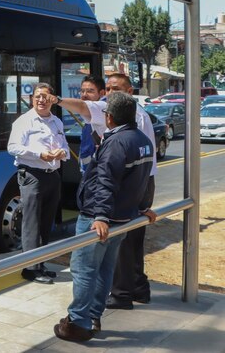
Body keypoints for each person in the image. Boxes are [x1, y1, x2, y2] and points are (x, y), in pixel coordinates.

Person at [53, 92, 157, 342]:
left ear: (109, 118)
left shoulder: (116, 143)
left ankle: (77, 322)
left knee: (84, 269)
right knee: (105, 268)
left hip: (98, 219)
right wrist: (143, 207)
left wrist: (99, 216)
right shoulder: (143, 139)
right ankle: (93, 316)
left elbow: (105, 182)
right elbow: (143, 178)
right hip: (123, 218)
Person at [7, 82, 69, 284]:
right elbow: (13, 147)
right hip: (32, 175)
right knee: (31, 223)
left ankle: (40, 263)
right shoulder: (24, 121)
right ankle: (30, 268)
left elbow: (66, 148)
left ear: (52, 99)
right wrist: (39, 154)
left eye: (45, 96)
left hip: (52, 175)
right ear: (32, 99)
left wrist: (62, 153)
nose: (41, 100)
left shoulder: (56, 122)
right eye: (37, 96)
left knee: (45, 223)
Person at [76, 76, 106, 174]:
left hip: (97, 173)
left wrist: (57, 101)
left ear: (101, 93)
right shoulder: (87, 117)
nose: (84, 95)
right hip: (87, 173)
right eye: (82, 91)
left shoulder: (103, 110)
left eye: (90, 91)